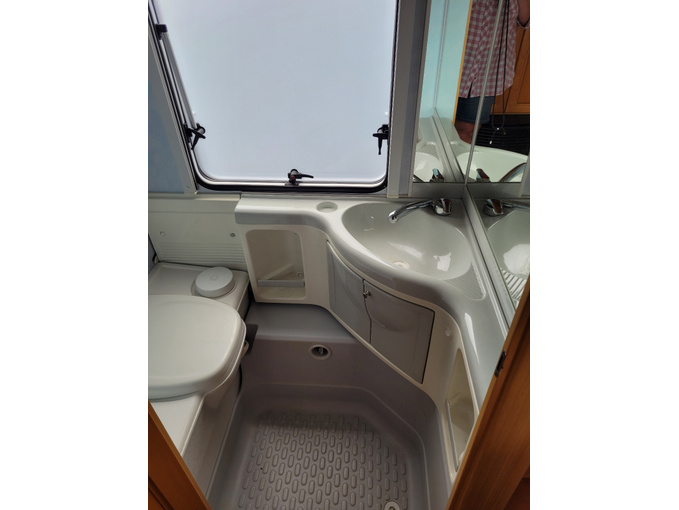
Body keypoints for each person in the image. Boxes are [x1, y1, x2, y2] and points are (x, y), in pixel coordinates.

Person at [454, 0, 530, 143]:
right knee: (428, 123)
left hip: (486, 68)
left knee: (467, 131)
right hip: (449, 58)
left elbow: (525, 20)